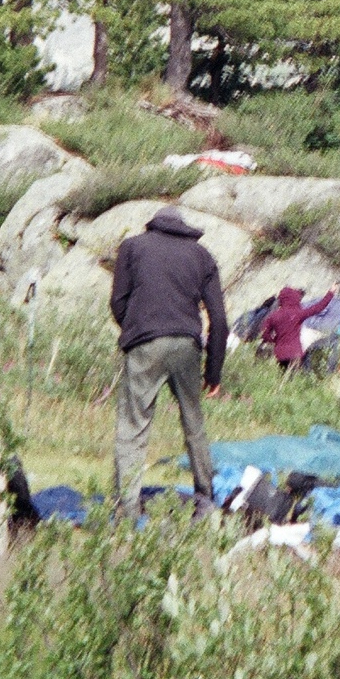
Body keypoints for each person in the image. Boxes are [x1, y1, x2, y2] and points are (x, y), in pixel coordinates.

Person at [108, 204, 230, 502]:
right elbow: (219, 320)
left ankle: (127, 507)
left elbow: (118, 301)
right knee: (194, 423)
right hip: (187, 344)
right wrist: (213, 372)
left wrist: (135, 330)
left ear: (153, 224)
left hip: (144, 343)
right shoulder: (202, 256)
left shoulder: (133, 247)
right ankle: (206, 498)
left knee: (133, 427)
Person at [259, 285, 340, 370]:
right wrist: (331, 292)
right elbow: (318, 307)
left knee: (282, 374)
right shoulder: (298, 313)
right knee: (293, 375)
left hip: (280, 353)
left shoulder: (273, 316)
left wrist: (274, 340)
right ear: (293, 298)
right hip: (294, 352)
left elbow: (264, 333)